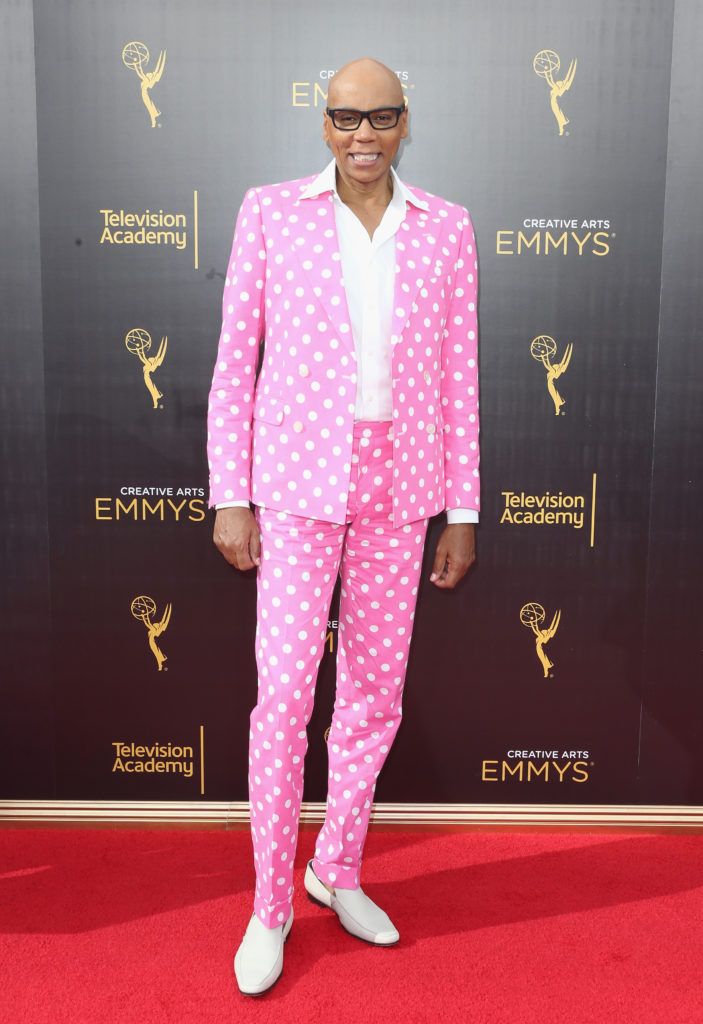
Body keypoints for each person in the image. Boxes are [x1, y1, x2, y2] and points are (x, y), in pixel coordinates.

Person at [206, 56, 480, 995]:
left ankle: (340, 869)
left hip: (402, 491)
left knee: (371, 695)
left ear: (406, 123)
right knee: (284, 699)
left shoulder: (446, 229)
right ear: (322, 124)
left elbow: (459, 380)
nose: (363, 135)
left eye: (382, 117)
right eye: (345, 118)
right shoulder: (270, 213)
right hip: (293, 486)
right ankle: (271, 905)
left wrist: (463, 508)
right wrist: (229, 493)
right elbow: (233, 364)